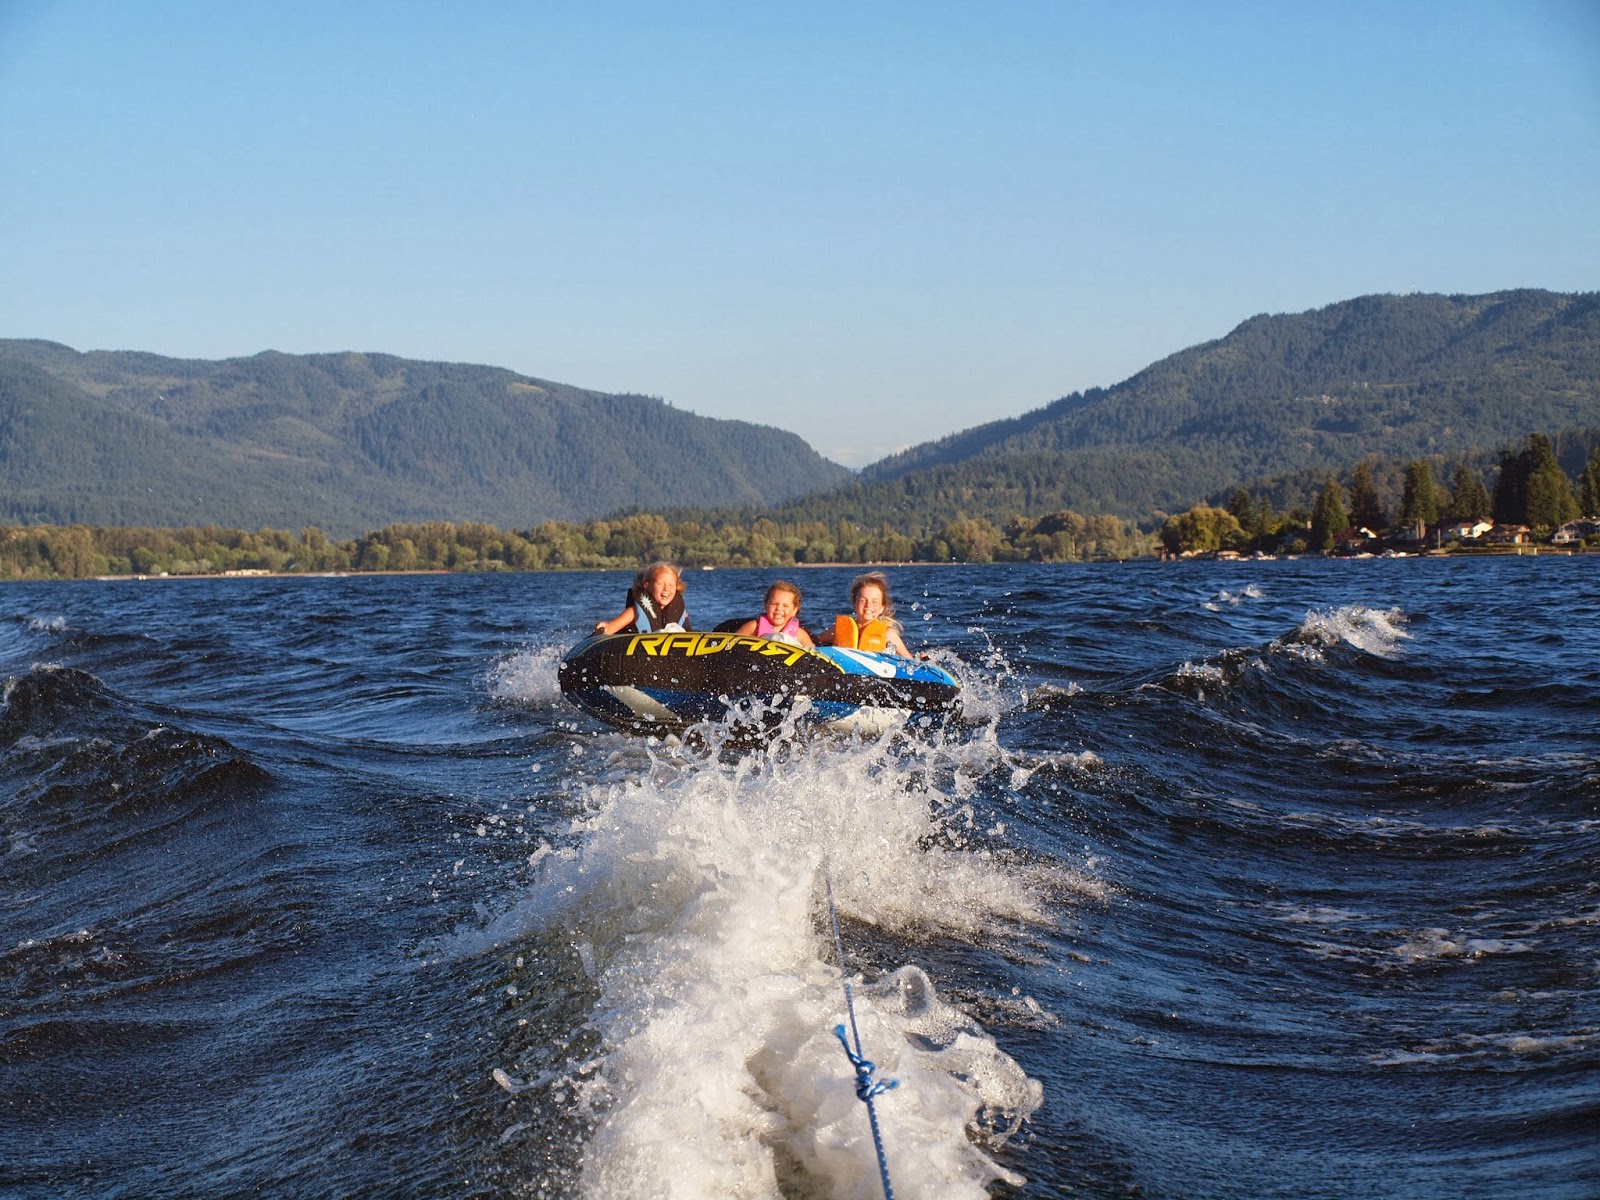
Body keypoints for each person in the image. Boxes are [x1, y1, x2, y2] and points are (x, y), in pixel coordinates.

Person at [820, 571, 911, 657]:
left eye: (874, 602)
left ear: (881, 608)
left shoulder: (889, 634)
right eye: (863, 601)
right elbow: (813, 644)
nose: (868, 605)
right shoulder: (838, 629)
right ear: (855, 604)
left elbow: (910, 661)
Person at [594, 562, 690, 635]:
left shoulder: (679, 610)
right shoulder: (634, 611)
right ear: (647, 585)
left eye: (671, 585)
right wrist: (605, 628)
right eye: (660, 584)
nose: (666, 589)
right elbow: (610, 628)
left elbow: (690, 633)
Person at [735, 579, 815, 648]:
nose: (779, 608)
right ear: (766, 605)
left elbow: (815, 655)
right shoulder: (753, 627)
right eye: (774, 604)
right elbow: (732, 645)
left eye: (785, 606)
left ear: (794, 610)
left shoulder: (800, 634)